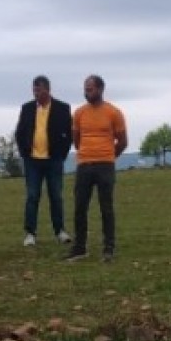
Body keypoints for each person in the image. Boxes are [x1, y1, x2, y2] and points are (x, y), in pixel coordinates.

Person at [67, 74, 128, 264]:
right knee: (80, 207)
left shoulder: (113, 112)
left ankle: (108, 248)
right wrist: (86, 154)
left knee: (106, 208)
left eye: (90, 88)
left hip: (105, 165)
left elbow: (123, 141)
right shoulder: (79, 113)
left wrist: (109, 156)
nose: (87, 92)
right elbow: (76, 139)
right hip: (84, 164)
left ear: (100, 89)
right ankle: (79, 248)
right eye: (85, 89)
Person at [15, 75, 74, 246]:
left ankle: (60, 231)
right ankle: (30, 233)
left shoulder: (62, 108)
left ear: (47, 90)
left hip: (53, 160)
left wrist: (61, 154)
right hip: (32, 160)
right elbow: (19, 132)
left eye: (39, 90)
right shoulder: (26, 108)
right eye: (34, 90)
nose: (36, 93)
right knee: (32, 196)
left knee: (56, 195)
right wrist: (24, 152)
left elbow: (68, 135)